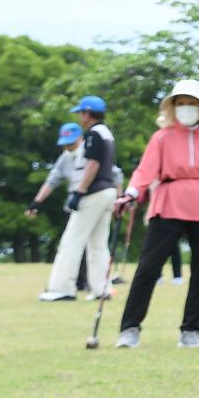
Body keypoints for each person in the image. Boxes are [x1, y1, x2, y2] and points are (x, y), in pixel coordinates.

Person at [113, 81, 199, 349]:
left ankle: (191, 331)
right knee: (148, 268)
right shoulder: (161, 138)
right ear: (173, 107)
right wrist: (131, 193)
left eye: (191, 103)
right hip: (169, 204)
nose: (186, 108)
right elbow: (145, 170)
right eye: (181, 103)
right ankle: (129, 328)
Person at [28, 109, 118, 302]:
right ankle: (101, 289)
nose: (68, 146)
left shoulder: (92, 140)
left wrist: (79, 192)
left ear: (87, 114)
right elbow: (52, 180)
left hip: (92, 194)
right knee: (98, 244)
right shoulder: (103, 135)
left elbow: (97, 167)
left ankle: (62, 288)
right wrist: (37, 202)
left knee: (71, 242)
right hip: (102, 194)